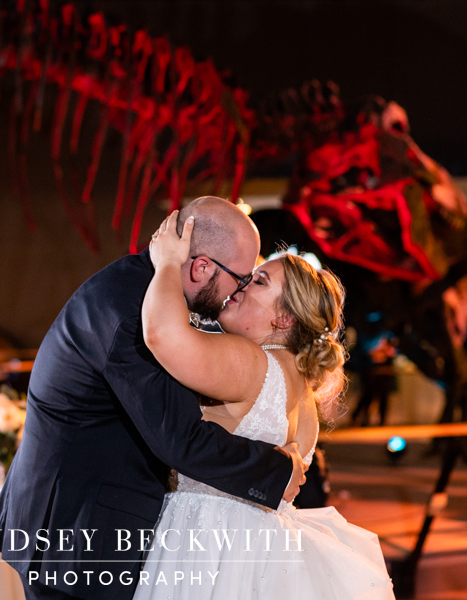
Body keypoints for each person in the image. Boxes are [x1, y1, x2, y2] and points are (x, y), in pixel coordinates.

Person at [0, 197, 307, 600]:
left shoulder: (141, 288)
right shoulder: (136, 314)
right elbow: (178, 438)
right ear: (202, 266)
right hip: (78, 538)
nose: (237, 292)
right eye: (240, 278)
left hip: (77, 528)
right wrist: (276, 472)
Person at [132, 212, 394, 599]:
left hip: (211, 548)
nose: (240, 285)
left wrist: (168, 263)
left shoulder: (253, 363)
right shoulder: (299, 386)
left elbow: (161, 334)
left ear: (284, 318)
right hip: (264, 554)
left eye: (258, 281)